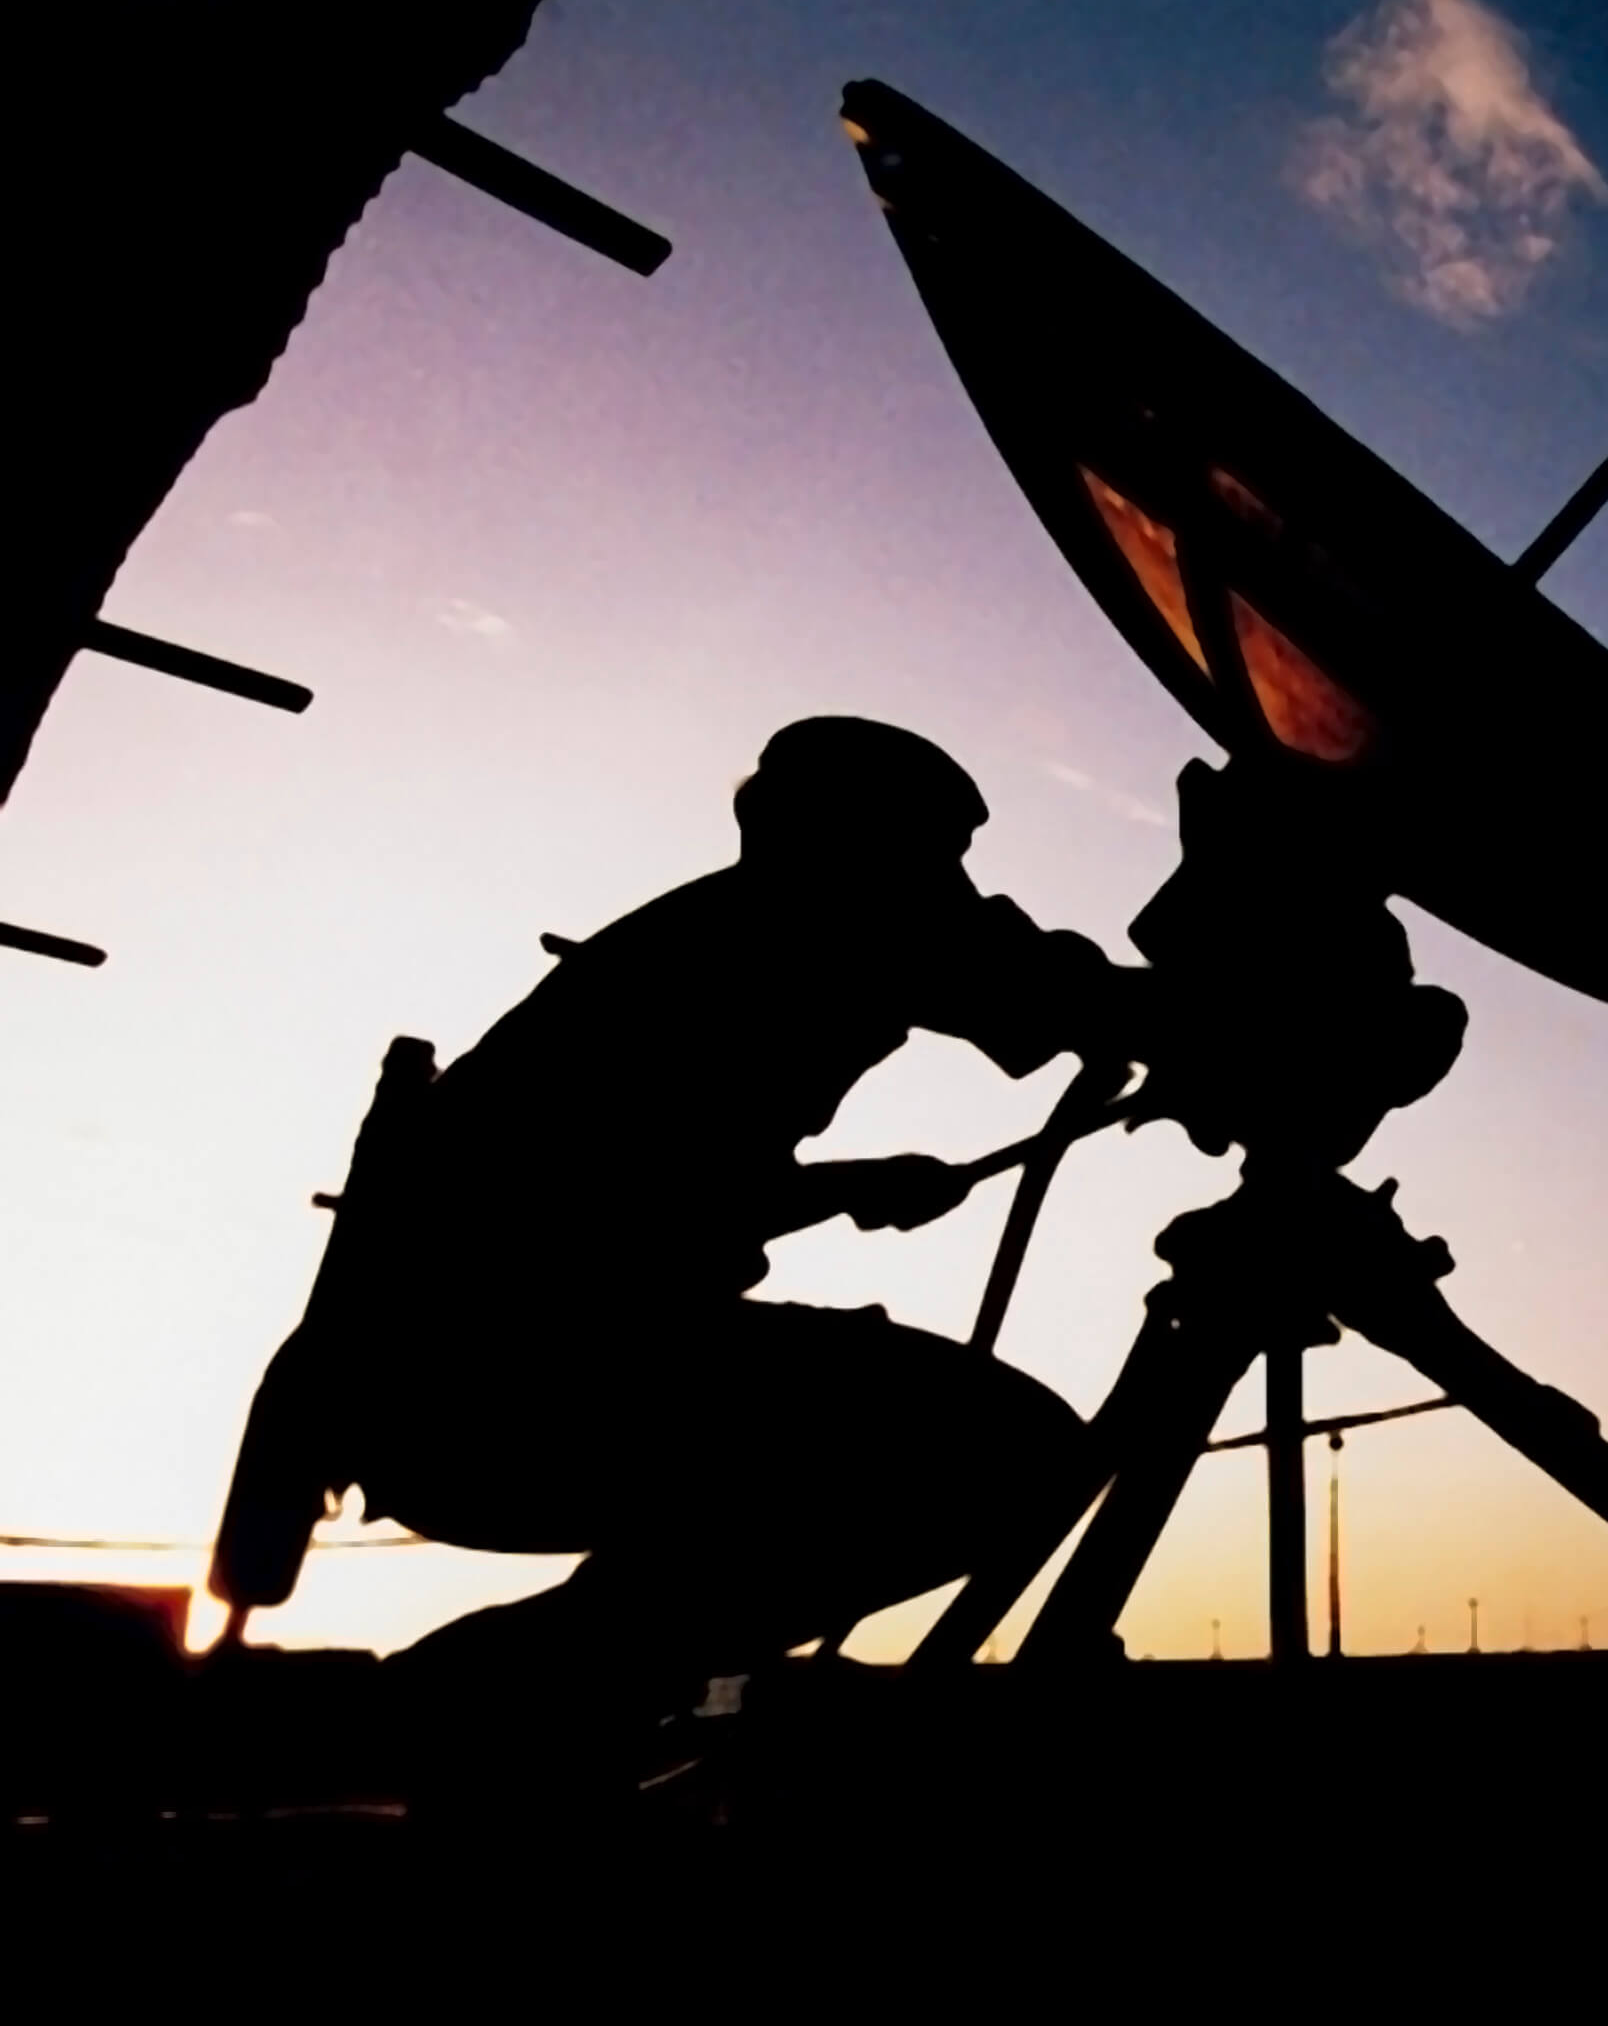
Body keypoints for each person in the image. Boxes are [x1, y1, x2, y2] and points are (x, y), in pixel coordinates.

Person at [357, 718, 1149, 1731]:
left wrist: (847, 1184)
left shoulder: (712, 938)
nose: (952, 885)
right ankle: (504, 1687)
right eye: (934, 854)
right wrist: (1231, 1012)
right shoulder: (803, 925)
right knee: (1013, 1456)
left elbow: (638, 1185)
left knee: (977, 1449)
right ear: (846, 841)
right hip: (513, 1384)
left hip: (477, 1375)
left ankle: (547, 1698)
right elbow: (1029, 984)